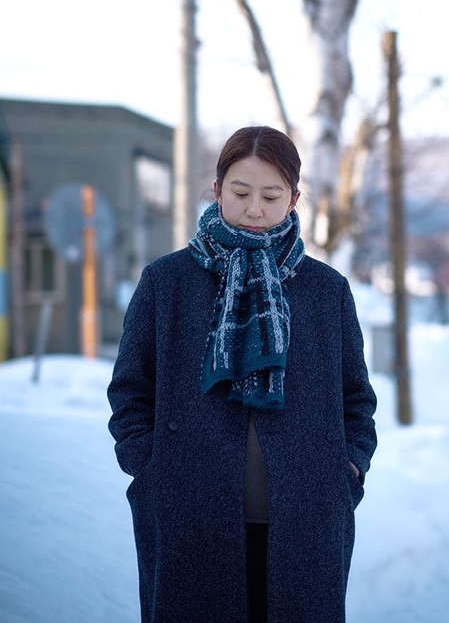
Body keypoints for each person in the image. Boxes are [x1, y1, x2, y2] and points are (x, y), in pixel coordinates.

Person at [108, 125, 378, 623]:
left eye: (271, 195)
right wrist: (150, 466)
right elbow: (130, 389)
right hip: (188, 509)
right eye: (240, 192)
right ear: (216, 191)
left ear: (294, 199)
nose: (255, 209)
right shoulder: (167, 283)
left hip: (307, 514)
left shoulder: (326, 290)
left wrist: (349, 469)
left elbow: (356, 400)